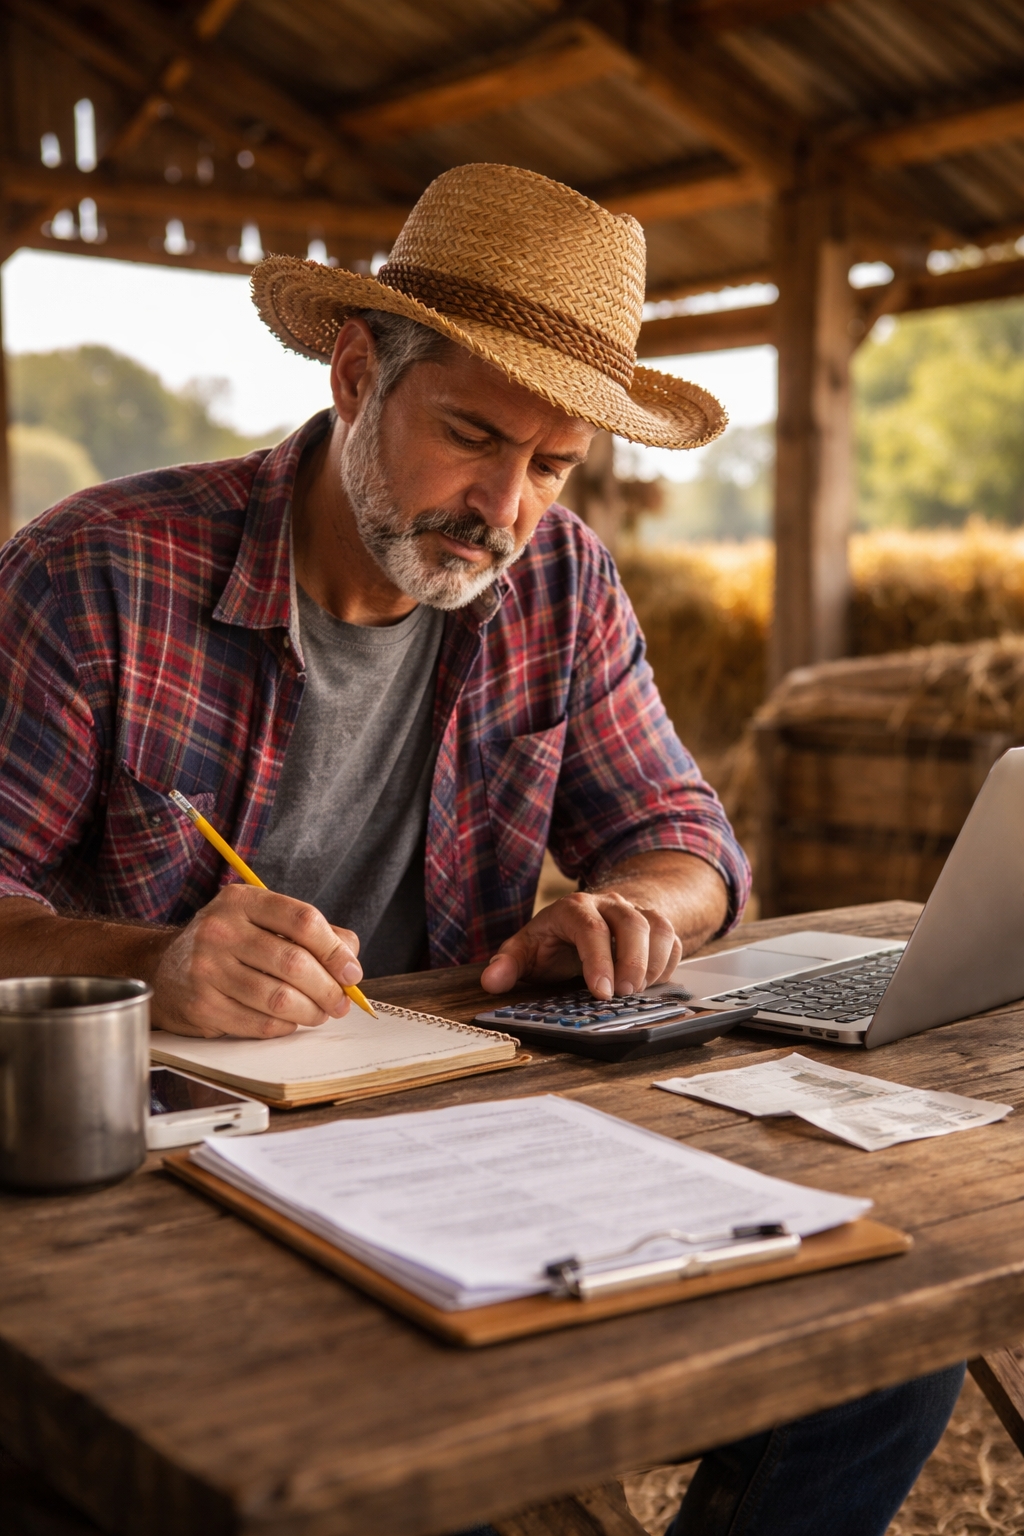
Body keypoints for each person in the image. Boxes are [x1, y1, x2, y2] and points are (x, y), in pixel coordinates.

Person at [0, 163, 961, 1530]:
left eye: (553, 467)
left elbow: (689, 839)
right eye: (471, 436)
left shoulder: (560, 581)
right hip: (177, 1168)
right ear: (355, 375)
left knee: (890, 1345)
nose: (505, 508)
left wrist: (641, 908)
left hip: (479, 1139)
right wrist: (154, 964)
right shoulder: (98, 571)